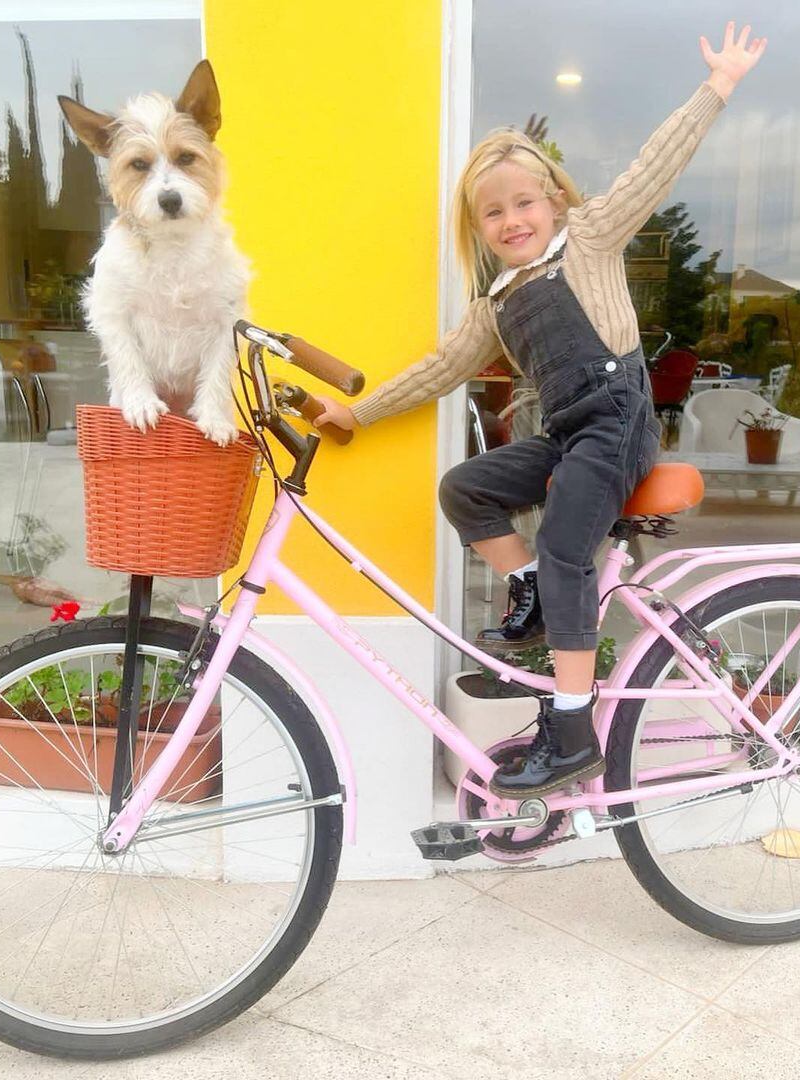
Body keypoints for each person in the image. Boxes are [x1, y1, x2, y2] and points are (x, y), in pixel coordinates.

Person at [314, 22, 767, 798]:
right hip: (567, 435)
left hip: (619, 419)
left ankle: (570, 725)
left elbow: (654, 168)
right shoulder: (496, 299)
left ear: (554, 201)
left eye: (524, 202)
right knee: (466, 488)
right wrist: (358, 415)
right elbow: (442, 367)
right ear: (480, 231)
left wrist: (716, 88)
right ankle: (525, 588)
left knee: (565, 546)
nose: (512, 220)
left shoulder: (590, 239)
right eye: (494, 215)